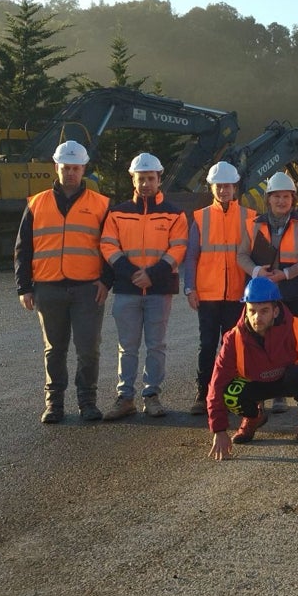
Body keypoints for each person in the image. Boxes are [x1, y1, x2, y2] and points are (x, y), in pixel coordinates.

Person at [14, 140, 112, 423]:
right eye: (65, 168)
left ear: (84, 169)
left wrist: (106, 281)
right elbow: (23, 248)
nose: (70, 173)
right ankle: (54, 404)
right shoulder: (37, 203)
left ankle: (88, 402)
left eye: (75, 168)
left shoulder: (101, 204)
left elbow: (110, 247)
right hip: (48, 288)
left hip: (87, 289)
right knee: (54, 349)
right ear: (56, 168)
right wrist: (25, 287)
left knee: (88, 348)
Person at [99, 152, 187, 420]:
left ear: (159, 179)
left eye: (151, 178)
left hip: (158, 290)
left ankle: (151, 396)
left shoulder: (174, 214)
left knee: (156, 345)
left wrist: (153, 275)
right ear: (133, 180)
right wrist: (130, 272)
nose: (146, 183)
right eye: (141, 179)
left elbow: (179, 247)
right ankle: (125, 398)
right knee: (127, 346)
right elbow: (108, 244)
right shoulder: (118, 212)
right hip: (127, 289)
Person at [206, 277, 298, 458]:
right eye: (252, 311)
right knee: (230, 394)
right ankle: (253, 417)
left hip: (288, 380)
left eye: (264, 311)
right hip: (255, 383)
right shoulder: (233, 338)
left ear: (275, 310)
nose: (257, 317)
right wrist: (219, 430)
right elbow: (216, 384)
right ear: (246, 310)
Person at [182, 161, 254, 415]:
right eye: (219, 186)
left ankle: (231, 395)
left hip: (237, 296)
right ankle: (203, 395)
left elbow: (253, 256)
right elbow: (191, 256)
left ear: (235, 187)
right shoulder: (200, 218)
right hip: (208, 295)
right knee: (207, 345)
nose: (223, 190)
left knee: (233, 347)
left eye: (228, 186)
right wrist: (190, 288)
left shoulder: (249, 217)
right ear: (212, 187)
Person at [239, 171, 298, 322]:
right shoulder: (254, 224)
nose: (281, 201)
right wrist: (256, 271)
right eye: (276, 196)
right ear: (268, 199)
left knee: (292, 339)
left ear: (292, 199)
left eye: (286, 196)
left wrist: (286, 273)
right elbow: (241, 255)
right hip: (260, 296)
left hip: (294, 295)